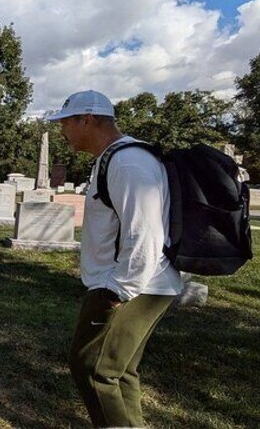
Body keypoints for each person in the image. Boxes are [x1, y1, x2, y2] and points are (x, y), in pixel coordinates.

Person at [46, 90, 183, 428]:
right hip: (138, 283)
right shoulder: (116, 158)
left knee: (93, 368)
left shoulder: (127, 162)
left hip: (134, 285)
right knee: (118, 372)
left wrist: (118, 291)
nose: (62, 131)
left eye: (66, 123)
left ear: (87, 120)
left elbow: (144, 232)